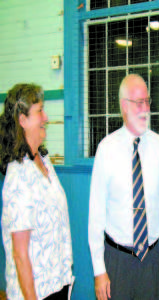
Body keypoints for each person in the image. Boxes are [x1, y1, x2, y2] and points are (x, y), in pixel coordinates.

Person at [88, 74, 159, 300]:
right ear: (123, 106)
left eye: (147, 101)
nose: (145, 108)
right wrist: (99, 270)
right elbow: (96, 215)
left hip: (151, 259)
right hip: (116, 260)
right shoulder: (106, 149)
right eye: (138, 102)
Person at [0, 84, 73, 299]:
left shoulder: (44, 161)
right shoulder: (18, 176)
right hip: (36, 293)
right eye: (40, 110)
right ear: (22, 120)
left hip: (58, 283)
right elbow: (20, 255)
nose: (46, 118)